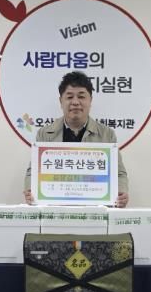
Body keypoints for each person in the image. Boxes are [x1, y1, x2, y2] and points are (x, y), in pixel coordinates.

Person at [23, 71, 129, 207]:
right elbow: (33, 172)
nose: (75, 102)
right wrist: (30, 190)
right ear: (61, 101)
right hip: (55, 210)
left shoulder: (107, 134)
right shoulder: (45, 134)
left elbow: (119, 173)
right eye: (69, 97)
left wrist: (121, 192)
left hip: (94, 211)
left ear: (90, 100)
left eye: (81, 96)